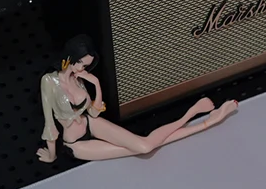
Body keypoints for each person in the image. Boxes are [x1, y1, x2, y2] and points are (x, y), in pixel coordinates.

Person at [36, 34, 238, 163]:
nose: (82, 68)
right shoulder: (49, 81)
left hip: (91, 123)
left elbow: (94, 113)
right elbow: (49, 122)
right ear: (70, 57)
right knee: (143, 147)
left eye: (86, 65)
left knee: (145, 145)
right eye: (80, 63)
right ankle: (202, 119)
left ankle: (200, 117)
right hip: (75, 143)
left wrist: (96, 84)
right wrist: (52, 155)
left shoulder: (80, 78)